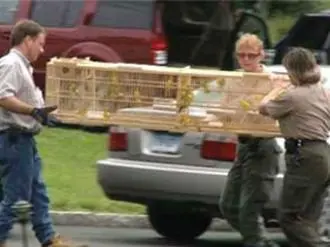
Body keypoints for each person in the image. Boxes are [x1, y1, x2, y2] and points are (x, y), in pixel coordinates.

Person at [0, 19, 87, 247]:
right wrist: (33, 111)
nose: (42, 49)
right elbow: (3, 97)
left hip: (25, 140)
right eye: (40, 43)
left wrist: (44, 114)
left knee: (38, 193)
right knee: (17, 200)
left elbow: (30, 103)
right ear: (27, 40)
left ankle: (48, 240)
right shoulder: (11, 64)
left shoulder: (24, 67)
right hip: (14, 139)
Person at [259, 47, 330, 247]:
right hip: (323, 154)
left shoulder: (292, 96)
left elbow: (263, 108)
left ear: (292, 70)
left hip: (304, 155)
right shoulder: (324, 92)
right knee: (307, 218)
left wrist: (275, 89)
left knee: (289, 217)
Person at [219, 33, 282, 247]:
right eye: (241, 55)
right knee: (228, 205)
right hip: (244, 145)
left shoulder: (274, 81)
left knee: (249, 208)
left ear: (261, 55)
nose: (246, 60)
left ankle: (256, 241)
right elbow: (224, 109)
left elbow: (276, 112)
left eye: (251, 55)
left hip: (263, 146)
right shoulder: (235, 80)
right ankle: (260, 240)